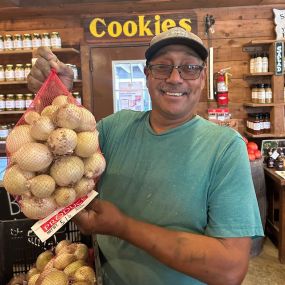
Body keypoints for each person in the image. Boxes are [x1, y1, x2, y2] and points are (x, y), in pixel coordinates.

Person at [28, 27, 264, 285]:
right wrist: (56, 94)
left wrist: (122, 227)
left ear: (203, 76)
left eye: (189, 67)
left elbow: (229, 270)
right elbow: (62, 156)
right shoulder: (114, 128)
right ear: (147, 74)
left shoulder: (225, 147)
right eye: (163, 66)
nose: (175, 78)